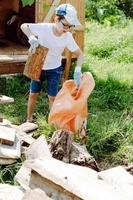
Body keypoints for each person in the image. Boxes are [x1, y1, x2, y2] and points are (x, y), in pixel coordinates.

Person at [21, 3, 84, 122]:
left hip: (54, 69)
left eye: (70, 26)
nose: (67, 29)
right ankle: (29, 119)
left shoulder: (68, 37)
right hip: (38, 66)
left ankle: (52, 123)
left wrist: (78, 69)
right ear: (56, 19)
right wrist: (31, 37)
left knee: (52, 97)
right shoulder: (44, 28)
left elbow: (80, 55)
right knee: (33, 94)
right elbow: (24, 26)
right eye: (65, 25)